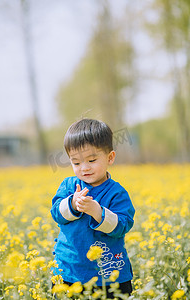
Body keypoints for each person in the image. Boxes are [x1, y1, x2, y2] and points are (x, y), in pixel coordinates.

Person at [50, 118, 135, 298]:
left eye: (92, 160)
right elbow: (56, 213)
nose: (84, 168)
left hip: (108, 275)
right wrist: (72, 204)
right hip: (68, 270)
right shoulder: (68, 186)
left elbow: (122, 226)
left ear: (110, 157)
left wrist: (98, 212)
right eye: (76, 163)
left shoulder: (116, 193)